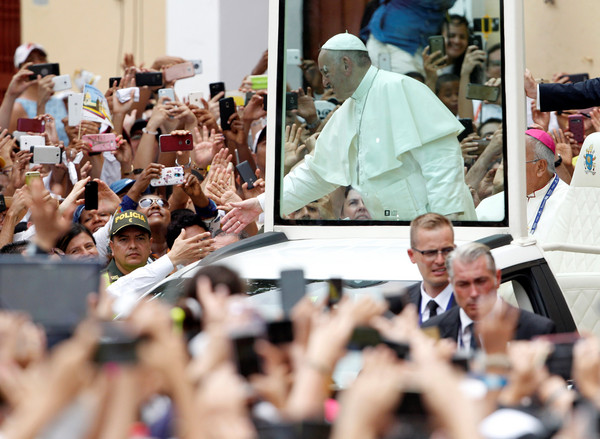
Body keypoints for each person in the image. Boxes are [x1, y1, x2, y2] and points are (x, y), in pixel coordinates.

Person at [222, 32, 475, 232]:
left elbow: (441, 162)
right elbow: (316, 174)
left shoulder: (400, 88)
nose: (324, 83)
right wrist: (261, 204)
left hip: (436, 229)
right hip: (395, 231)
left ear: (346, 64)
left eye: (326, 72)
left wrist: (444, 227)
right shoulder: (347, 111)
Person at [422, 242, 555, 351]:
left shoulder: (538, 330)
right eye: (463, 284)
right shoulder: (432, 331)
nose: (473, 293)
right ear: (452, 285)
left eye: (480, 281)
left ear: (497, 278)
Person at [476, 129, 569, 244]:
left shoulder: (570, 203)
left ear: (540, 167)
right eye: (505, 162)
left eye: (514, 162)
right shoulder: (488, 205)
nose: (505, 170)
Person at [405, 213, 456, 324]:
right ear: (412, 255)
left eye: (447, 250)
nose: (440, 260)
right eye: (430, 253)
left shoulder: (473, 305)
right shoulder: (400, 307)